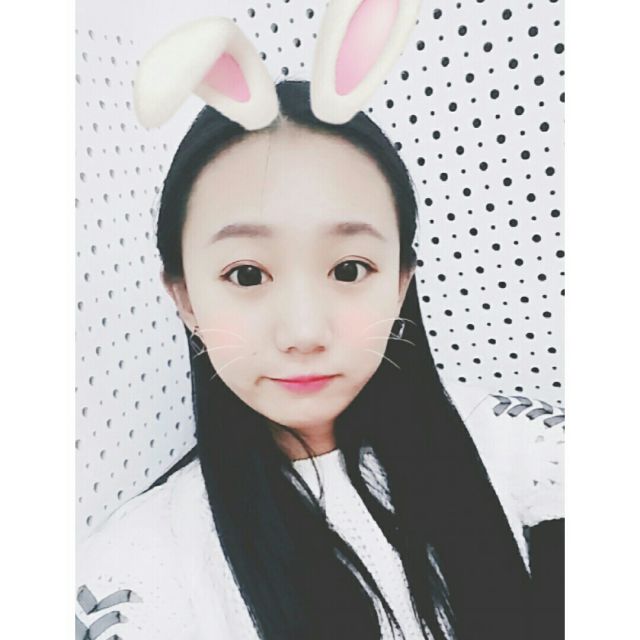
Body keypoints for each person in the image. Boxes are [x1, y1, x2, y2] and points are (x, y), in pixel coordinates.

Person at [76, 7, 564, 640]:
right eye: (246, 274)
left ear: (400, 284)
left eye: (349, 268)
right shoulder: (140, 569)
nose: (304, 332)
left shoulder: (512, 447)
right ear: (186, 299)